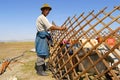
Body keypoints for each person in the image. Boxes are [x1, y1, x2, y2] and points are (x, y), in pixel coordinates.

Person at [35, 3, 66, 76]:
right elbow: (50, 27)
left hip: (43, 36)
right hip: (42, 37)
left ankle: (43, 68)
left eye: (48, 10)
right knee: (41, 53)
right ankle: (39, 71)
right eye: (46, 10)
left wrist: (53, 28)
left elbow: (48, 28)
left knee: (43, 53)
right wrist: (60, 28)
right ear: (42, 10)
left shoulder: (43, 18)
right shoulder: (42, 17)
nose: (48, 11)